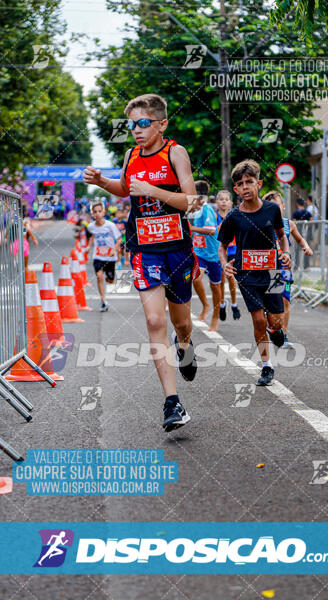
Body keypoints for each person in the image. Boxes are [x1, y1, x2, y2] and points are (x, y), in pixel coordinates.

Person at [83, 93, 199, 432]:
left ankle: (186, 346)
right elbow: (125, 189)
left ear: (162, 124)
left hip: (177, 248)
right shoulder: (131, 154)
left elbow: (192, 202)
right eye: (132, 124)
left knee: (181, 323)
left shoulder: (175, 152)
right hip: (144, 248)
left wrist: (155, 190)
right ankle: (172, 403)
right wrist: (103, 182)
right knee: (153, 320)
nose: (136, 130)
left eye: (143, 123)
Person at [218, 159, 291, 387]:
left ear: (258, 183)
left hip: (274, 271)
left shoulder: (272, 210)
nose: (245, 187)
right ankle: (266, 365)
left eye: (249, 182)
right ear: (236, 189)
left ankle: (275, 330)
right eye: (240, 184)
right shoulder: (233, 216)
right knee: (258, 319)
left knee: (275, 321)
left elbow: (281, 235)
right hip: (247, 273)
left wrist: (286, 254)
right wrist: (224, 264)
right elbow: (221, 246)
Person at [263, 191, 313, 349]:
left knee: (284, 300)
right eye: (270, 205)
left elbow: (299, 238)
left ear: (283, 206)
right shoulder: (260, 222)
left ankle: (283, 335)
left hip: (283, 268)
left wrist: (306, 247)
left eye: (277, 205)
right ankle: (272, 329)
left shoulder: (288, 224)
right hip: (266, 268)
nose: (274, 209)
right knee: (269, 305)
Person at [190, 180, 223, 331]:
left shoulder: (207, 209)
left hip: (213, 254)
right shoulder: (194, 208)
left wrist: (192, 228)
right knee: (196, 279)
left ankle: (215, 317)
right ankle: (206, 305)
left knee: (215, 287)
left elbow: (210, 230)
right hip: (199, 252)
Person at [86, 200, 122, 312]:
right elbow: (92, 236)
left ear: (104, 212)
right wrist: (88, 246)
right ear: (92, 214)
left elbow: (119, 239)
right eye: (95, 212)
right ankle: (103, 301)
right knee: (99, 276)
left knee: (110, 280)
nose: (97, 214)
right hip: (98, 256)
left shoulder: (110, 226)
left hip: (110, 257)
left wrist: (114, 249)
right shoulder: (91, 226)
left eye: (99, 211)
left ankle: (109, 277)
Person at [215, 189, 241, 321]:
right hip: (220, 251)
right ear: (217, 202)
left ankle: (234, 304)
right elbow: (212, 231)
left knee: (231, 278)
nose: (224, 202)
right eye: (221, 199)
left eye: (226, 199)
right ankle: (222, 303)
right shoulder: (214, 217)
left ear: (231, 203)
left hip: (232, 251)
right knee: (221, 280)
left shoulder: (234, 216)